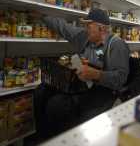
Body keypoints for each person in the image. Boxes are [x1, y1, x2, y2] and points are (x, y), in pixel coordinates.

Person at [34, 9, 130, 137]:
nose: (85, 29)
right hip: (83, 84)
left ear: (101, 29)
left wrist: (96, 74)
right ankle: (43, 136)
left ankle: (63, 140)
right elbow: (64, 28)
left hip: (102, 90)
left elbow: (120, 78)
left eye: (88, 26)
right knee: (41, 91)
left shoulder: (116, 45)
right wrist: (42, 16)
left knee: (58, 104)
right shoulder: (85, 37)